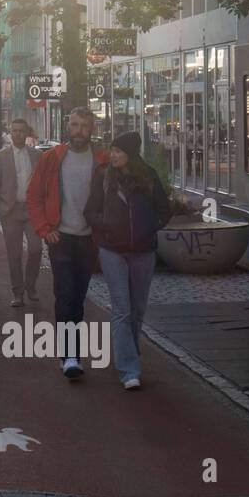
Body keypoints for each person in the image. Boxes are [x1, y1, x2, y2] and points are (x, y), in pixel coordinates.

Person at [26, 107, 109, 379]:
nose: (79, 131)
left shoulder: (103, 160)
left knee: (79, 297)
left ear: (92, 128)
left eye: (85, 125)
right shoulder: (52, 158)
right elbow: (34, 195)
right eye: (75, 125)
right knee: (65, 295)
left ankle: (71, 351)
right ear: (68, 126)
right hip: (60, 237)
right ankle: (69, 356)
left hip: (89, 239)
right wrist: (44, 229)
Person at [84, 131, 171, 390]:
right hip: (112, 250)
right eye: (112, 150)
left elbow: (164, 209)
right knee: (122, 309)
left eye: (118, 151)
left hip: (143, 251)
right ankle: (129, 369)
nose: (112, 155)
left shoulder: (149, 176)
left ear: (130, 154)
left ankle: (128, 353)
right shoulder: (102, 176)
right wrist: (105, 227)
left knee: (137, 310)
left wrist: (150, 227)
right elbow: (90, 210)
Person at [0, 118, 44, 307]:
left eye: (21, 130)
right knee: (14, 254)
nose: (17, 134)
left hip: (32, 210)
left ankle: (31, 285)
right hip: (10, 211)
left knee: (36, 249)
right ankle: (17, 292)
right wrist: (0, 207)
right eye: (14, 131)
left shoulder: (36, 155)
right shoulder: (1, 156)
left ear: (26, 132)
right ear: (10, 133)